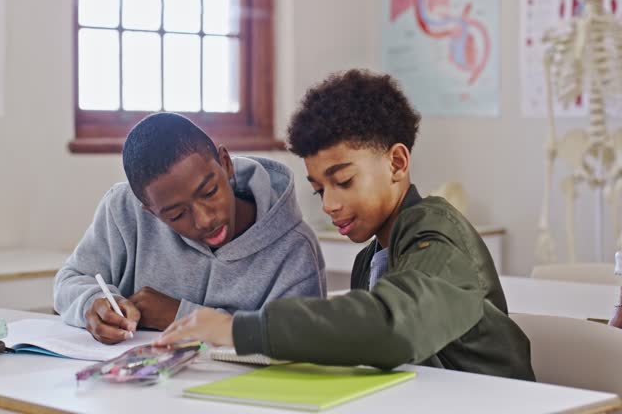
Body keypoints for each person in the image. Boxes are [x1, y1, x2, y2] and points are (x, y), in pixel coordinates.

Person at [157, 69, 536, 381]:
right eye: (319, 189)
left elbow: (393, 327)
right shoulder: (370, 259)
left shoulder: (438, 236)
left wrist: (236, 329)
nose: (330, 205)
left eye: (343, 181)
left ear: (397, 163)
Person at [54, 113, 326, 344]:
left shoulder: (295, 247)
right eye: (177, 214)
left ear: (226, 163)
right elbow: (70, 279)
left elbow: (299, 342)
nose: (205, 219)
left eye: (209, 192)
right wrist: (94, 303)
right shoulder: (123, 210)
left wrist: (180, 315)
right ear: (150, 211)